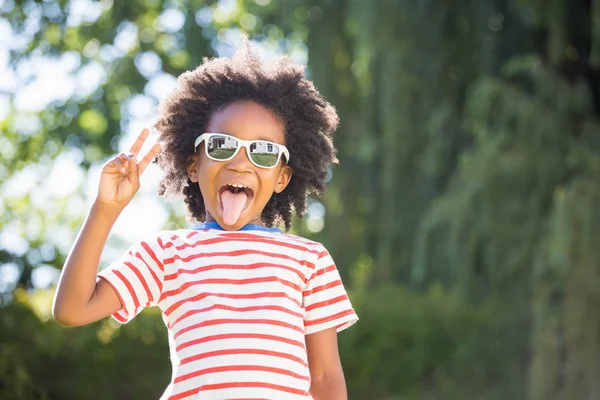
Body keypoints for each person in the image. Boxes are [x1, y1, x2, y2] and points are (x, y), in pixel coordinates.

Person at [52, 41, 358, 400]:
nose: (240, 163)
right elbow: (72, 310)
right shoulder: (166, 253)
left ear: (282, 177)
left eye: (263, 152)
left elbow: (324, 377)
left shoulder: (310, 260)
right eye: (221, 146)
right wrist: (106, 208)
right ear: (194, 166)